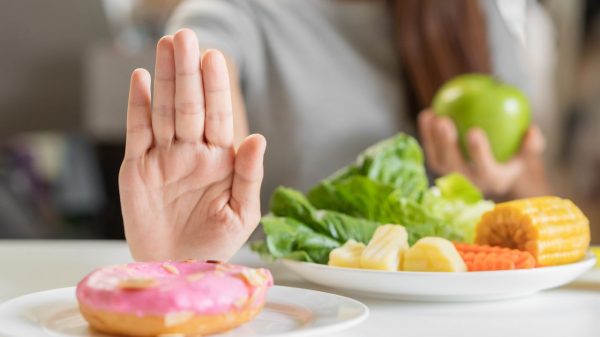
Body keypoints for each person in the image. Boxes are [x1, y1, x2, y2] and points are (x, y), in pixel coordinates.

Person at [120, 0, 553, 261]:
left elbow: (538, 194)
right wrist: (188, 256)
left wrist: (510, 178)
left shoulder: (472, 15)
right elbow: (205, 54)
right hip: (306, 313)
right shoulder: (240, 11)